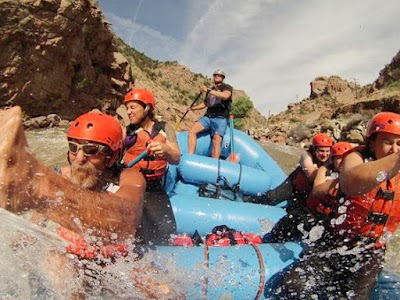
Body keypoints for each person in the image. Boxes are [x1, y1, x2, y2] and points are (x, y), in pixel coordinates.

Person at [279, 112, 400, 299]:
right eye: (387, 142)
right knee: (294, 285)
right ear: (372, 143)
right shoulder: (356, 158)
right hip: (336, 241)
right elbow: (351, 182)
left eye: (399, 144)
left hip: (370, 253)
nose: (394, 149)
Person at [0, 106, 145, 247]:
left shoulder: (130, 177)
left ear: (112, 157)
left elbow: (127, 219)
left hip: (115, 262)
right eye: (73, 148)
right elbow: (30, 234)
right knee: (57, 259)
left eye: (92, 150)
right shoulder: (61, 176)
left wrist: (39, 187)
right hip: (67, 261)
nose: (80, 158)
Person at [249, 133, 334, 242]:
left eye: (327, 151)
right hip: (293, 186)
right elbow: (312, 175)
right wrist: (324, 168)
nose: (325, 154)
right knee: (271, 197)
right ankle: (249, 200)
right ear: (314, 149)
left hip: (306, 193)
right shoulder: (306, 156)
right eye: (321, 151)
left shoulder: (332, 160)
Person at [122, 88, 181, 245]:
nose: (128, 112)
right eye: (127, 108)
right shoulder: (127, 132)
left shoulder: (164, 128)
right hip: (131, 184)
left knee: (166, 230)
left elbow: (176, 158)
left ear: (147, 108)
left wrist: (166, 150)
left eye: (133, 107)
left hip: (153, 186)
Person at [188, 69, 233, 159]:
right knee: (192, 130)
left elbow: (225, 96)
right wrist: (193, 108)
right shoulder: (211, 90)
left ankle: (215, 163)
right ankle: (190, 156)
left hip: (221, 118)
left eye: (219, 75)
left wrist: (207, 90)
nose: (217, 76)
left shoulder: (227, 87)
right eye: (215, 75)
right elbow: (205, 104)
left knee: (217, 139)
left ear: (223, 78)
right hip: (208, 117)